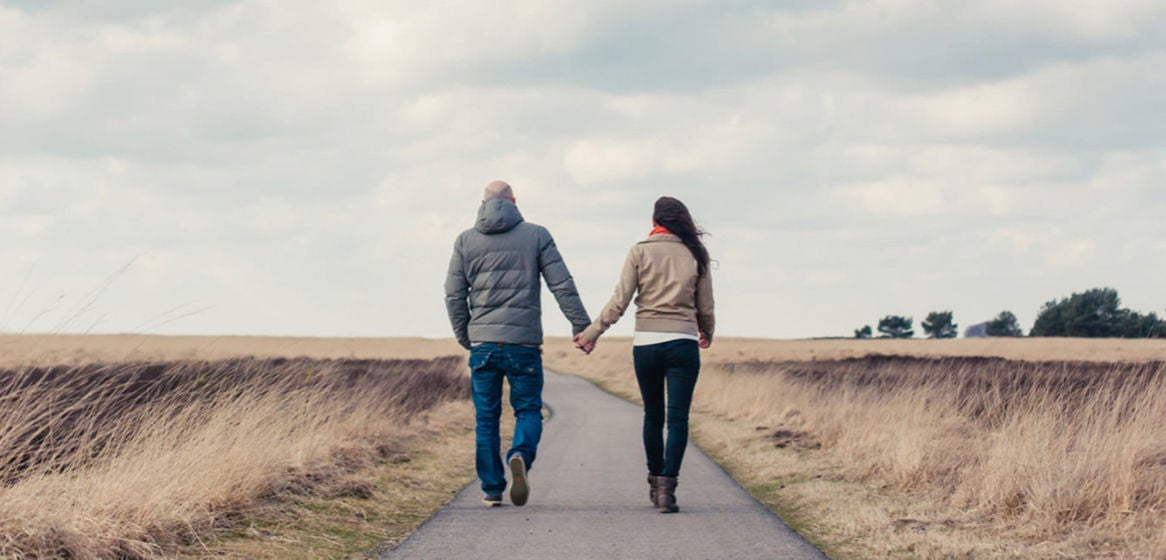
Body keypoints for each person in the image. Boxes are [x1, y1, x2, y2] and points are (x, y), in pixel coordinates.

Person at [445, 180, 591, 507]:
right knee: (528, 410)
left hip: (483, 345)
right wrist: (581, 325)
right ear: (514, 201)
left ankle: (492, 488)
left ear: (482, 203)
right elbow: (562, 285)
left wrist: (467, 336)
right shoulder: (537, 235)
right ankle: (520, 455)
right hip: (523, 345)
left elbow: (454, 295)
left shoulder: (465, 240)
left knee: (486, 419)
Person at [573, 196, 715, 513]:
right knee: (678, 419)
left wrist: (592, 333)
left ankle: (654, 480)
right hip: (683, 342)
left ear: (654, 222)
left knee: (653, 414)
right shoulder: (696, 253)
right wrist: (707, 332)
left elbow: (619, 301)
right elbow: (706, 306)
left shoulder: (639, 251)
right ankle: (667, 490)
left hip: (647, 344)